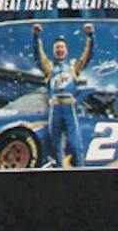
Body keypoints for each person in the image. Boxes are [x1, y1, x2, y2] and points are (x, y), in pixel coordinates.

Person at [35, 26, 95, 169]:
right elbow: (39, 55)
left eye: (62, 47)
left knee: (75, 143)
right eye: (57, 48)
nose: (60, 50)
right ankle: (60, 172)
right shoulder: (49, 67)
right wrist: (36, 37)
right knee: (55, 145)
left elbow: (87, 56)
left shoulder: (73, 67)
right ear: (54, 51)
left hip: (69, 109)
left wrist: (90, 37)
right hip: (55, 109)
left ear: (66, 50)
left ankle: (80, 169)